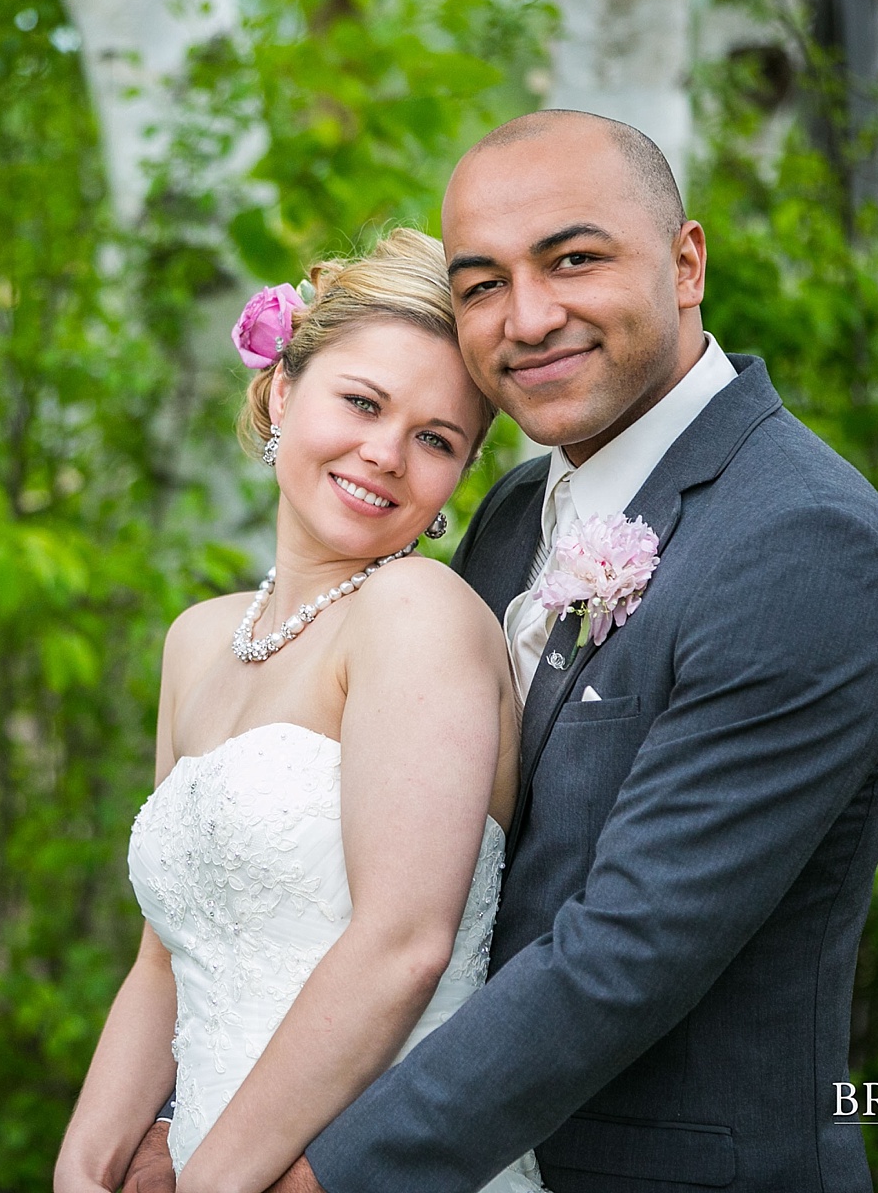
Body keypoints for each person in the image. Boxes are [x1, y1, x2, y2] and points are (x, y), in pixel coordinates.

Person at [115, 110, 878, 1193]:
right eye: (483, 282)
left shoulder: (801, 541)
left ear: (686, 264)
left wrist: (318, 1176)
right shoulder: (507, 515)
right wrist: (191, 1112)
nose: (528, 317)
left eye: (574, 259)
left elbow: (626, 954)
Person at [51, 228, 547, 1193]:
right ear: (284, 392)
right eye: (361, 402)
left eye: (436, 439)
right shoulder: (197, 640)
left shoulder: (419, 614)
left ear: (458, 479)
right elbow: (164, 962)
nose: (385, 454)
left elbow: (403, 948)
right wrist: (84, 1169)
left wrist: (212, 1185)